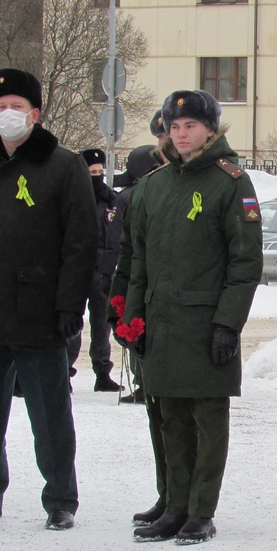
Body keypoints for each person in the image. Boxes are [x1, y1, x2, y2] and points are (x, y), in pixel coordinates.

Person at [0, 68, 97, 530]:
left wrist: (71, 305)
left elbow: (80, 242)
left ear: (36, 112)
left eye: (17, 106)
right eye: (0, 107)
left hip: (40, 311)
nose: (8, 114)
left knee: (50, 414)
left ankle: (60, 499)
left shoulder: (63, 165)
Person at [122, 90, 263, 544]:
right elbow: (139, 259)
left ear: (211, 129)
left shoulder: (231, 182)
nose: (180, 134)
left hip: (205, 323)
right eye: (173, 126)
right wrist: (132, 317)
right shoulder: (155, 185)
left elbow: (245, 263)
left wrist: (228, 323)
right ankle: (175, 504)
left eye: (190, 126)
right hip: (162, 321)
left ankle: (201, 510)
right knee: (168, 416)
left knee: (206, 418)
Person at [107, 145, 165, 524]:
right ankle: (170, 495)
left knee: (165, 409)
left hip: (152, 298)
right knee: (159, 409)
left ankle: (175, 496)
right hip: (142, 296)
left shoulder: (139, 192)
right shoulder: (137, 195)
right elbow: (128, 249)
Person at [66, 148, 123, 393]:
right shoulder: (71, 198)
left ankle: (102, 373)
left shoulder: (111, 199)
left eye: (100, 172)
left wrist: (110, 267)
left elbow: (115, 236)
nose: (97, 176)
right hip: (76, 271)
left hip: (102, 271)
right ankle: (65, 372)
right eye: (92, 172)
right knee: (72, 326)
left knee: (102, 325)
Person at [111, 145, 161, 407]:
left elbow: (120, 241)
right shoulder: (150, 190)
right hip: (149, 271)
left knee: (135, 326)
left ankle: (143, 383)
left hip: (137, 271)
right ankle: (146, 383)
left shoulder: (133, 194)